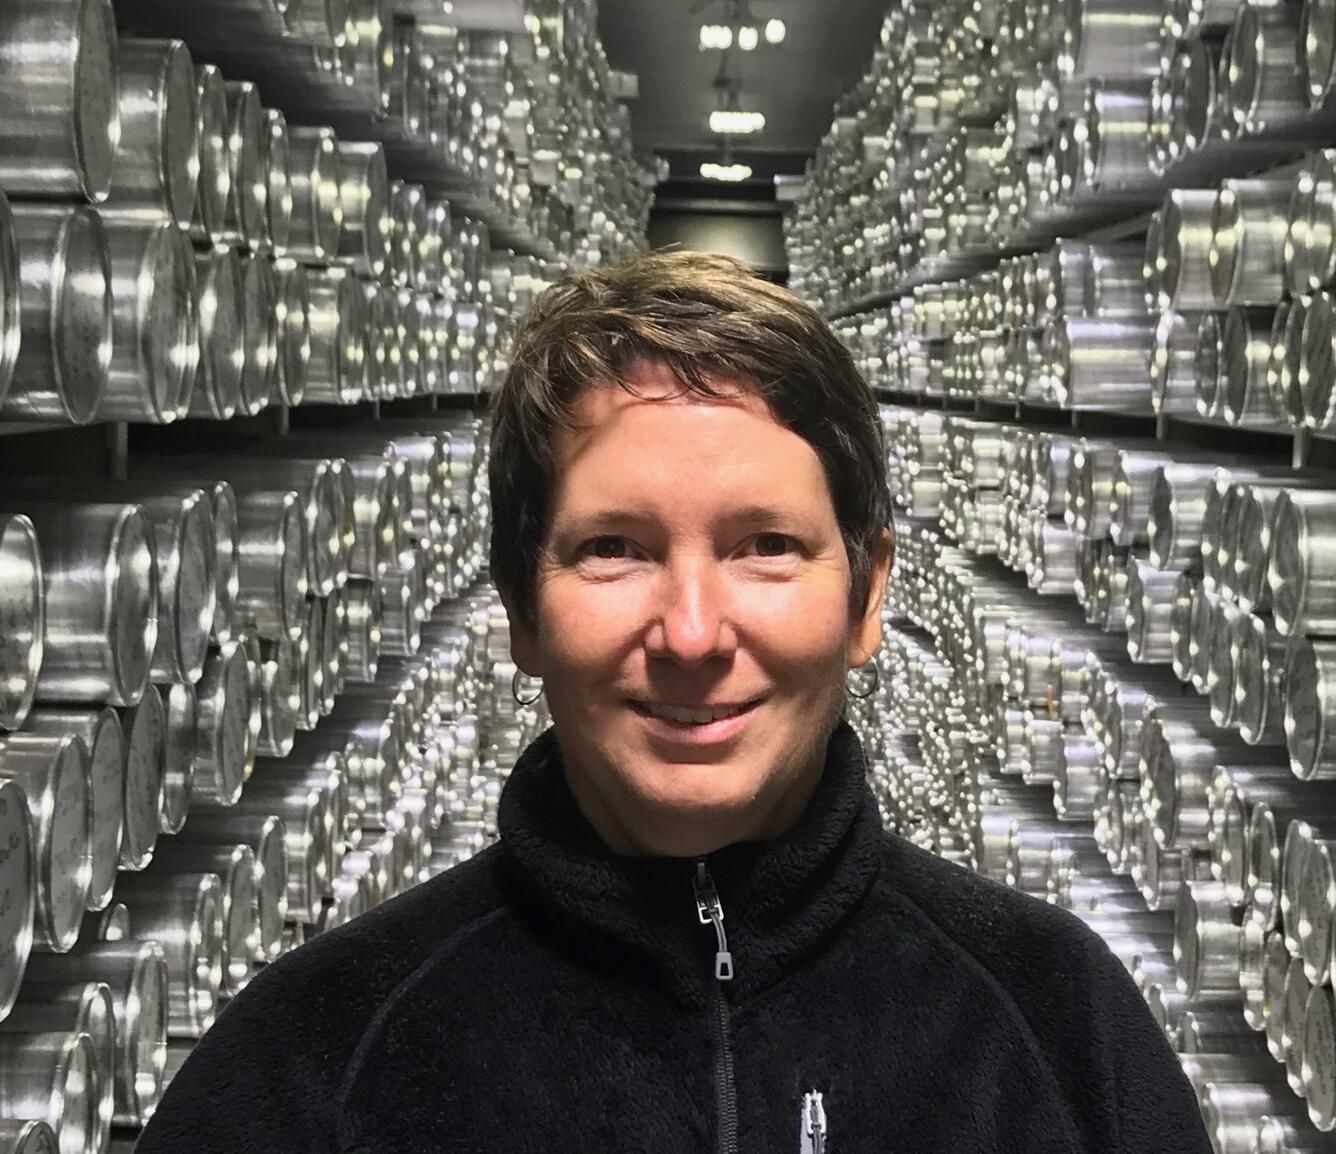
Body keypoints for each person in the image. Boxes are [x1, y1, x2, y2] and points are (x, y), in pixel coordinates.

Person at [138, 250, 1210, 1152]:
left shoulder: (1059, 1028)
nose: (692, 632)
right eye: (613, 549)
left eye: (765, 547)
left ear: (866, 593)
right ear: (519, 606)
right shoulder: (315, 1063)